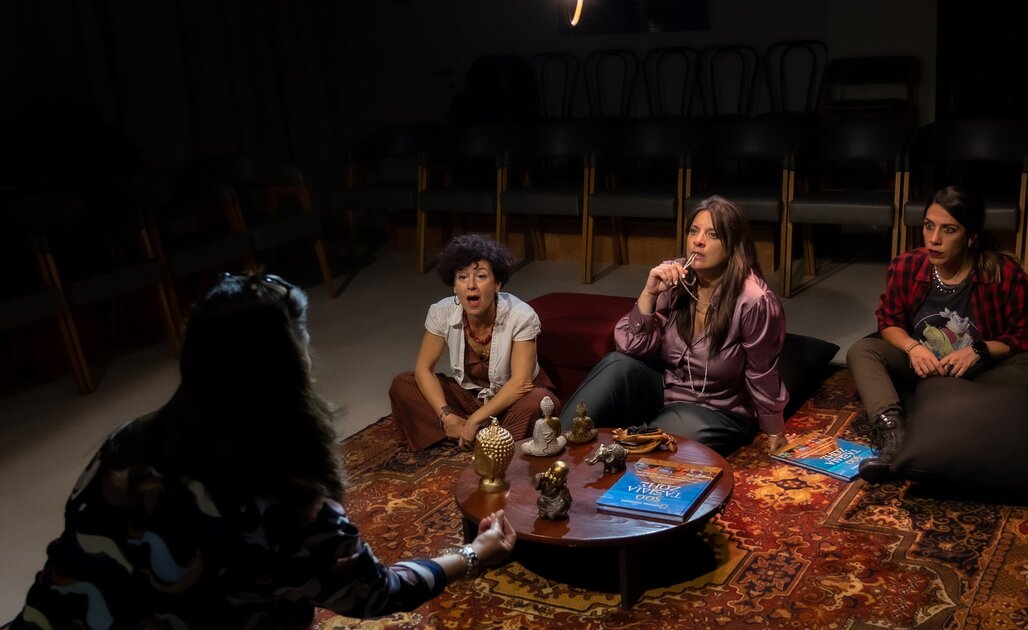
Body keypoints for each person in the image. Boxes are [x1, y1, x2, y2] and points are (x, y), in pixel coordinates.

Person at [11, 272, 517, 628]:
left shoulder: (127, 441)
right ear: (289, 364)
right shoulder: (284, 495)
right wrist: (475, 552)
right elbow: (374, 592)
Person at [847, 186, 1028, 481]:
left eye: (949, 229)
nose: (934, 239)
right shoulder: (906, 266)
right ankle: (894, 434)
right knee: (862, 351)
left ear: (971, 236)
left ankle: (936, 407)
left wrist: (979, 350)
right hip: (920, 366)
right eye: (929, 226)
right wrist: (913, 348)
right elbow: (888, 322)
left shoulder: (1004, 273)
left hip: (974, 374)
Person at [561, 195, 789, 456]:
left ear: (733, 244)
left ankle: (631, 459)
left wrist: (774, 430)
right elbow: (632, 348)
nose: (698, 241)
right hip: (666, 390)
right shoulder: (676, 275)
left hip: (716, 409)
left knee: (651, 449)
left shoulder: (754, 300)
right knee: (616, 364)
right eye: (694, 231)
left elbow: (762, 372)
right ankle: (558, 446)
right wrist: (649, 294)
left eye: (712, 234)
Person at [389, 234, 557, 450]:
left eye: (481, 276)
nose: (471, 285)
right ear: (454, 286)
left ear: (497, 284)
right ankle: (475, 435)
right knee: (403, 383)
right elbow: (424, 369)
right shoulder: (441, 312)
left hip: (512, 400)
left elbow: (520, 383)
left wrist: (475, 420)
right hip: (471, 397)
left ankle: (475, 436)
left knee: (539, 401)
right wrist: (446, 415)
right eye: (462, 277)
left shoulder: (521, 316)